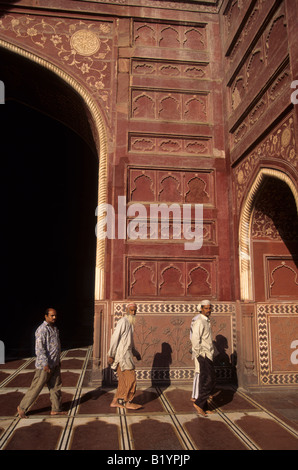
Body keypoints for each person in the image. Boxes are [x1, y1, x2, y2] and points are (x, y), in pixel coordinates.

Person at [17, 308, 67, 418]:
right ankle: (22, 407)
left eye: (55, 315)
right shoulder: (42, 330)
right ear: (45, 316)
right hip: (44, 366)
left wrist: (58, 361)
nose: (54, 317)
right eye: (51, 316)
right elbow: (40, 349)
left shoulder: (54, 329)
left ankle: (56, 409)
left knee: (56, 387)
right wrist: (45, 364)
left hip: (54, 363)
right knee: (37, 387)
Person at [108, 302, 142, 410]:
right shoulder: (123, 321)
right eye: (131, 310)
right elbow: (115, 338)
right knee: (131, 379)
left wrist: (135, 353)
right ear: (127, 310)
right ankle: (128, 402)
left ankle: (115, 401)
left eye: (135, 310)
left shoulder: (130, 323)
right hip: (122, 357)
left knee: (123, 381)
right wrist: (111, 354)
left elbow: (129, 342)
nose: (133, 312)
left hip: (125, 355)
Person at [191, 300, 216, 417]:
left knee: (205, 380)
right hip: (203, 355)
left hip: (208, 354)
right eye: (206, 308)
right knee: (209, 379)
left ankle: (204, 406)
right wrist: (200, 353)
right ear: (201, 309)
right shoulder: (200, 321)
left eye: (209, 308)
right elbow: (195, 338)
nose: (208, 310)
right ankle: (199, 403)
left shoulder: (206, 321)